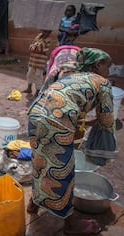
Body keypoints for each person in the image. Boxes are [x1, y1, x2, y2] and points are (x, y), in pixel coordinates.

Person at [27, 48, 116, 234]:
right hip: (57, 122)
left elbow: (58, 98)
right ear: (98, 65)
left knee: (40, 161)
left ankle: (34, 203)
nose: (109, 71)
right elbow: (107, 120)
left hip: (36, 115)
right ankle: (70, 222)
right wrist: (115, 125)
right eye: (108, 66)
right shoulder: (102, 82)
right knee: (62, 170)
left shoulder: (72, 76)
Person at [22, 30, 51, 96]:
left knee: (38, 76)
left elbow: (40, 49)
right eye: (44, 31)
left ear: (49, 32)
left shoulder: (48, 40)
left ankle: (38, 91)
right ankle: (29, 88)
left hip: (40, 61)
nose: (45, 33)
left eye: (47, 32)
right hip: (33, 60)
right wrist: (34, 47)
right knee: (29, 74)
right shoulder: (38, 36)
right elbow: (32, 46)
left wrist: (34, 47)